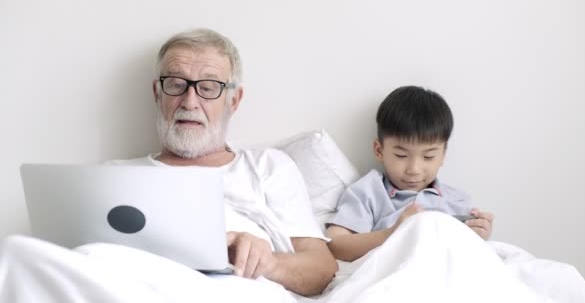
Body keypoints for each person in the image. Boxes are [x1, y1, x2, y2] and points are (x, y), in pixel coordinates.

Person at [0, 28, 337, 302]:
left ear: (233, 100)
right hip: (126, 287)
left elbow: (321, 268)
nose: (189, 101)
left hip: (230, 287)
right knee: (15, 252)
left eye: (208, 87)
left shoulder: (267, 166)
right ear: (157, 93)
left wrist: (268, 261)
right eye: (175, 84)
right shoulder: (111, 176)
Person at [326, 86, 495, 262]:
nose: (414, 169)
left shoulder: (457, 200)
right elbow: (335, 246)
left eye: (428, 156)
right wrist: (391, 234)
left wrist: (478, 235)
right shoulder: (368, 193)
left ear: (443, 155)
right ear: (379, 150)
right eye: (401, 156)